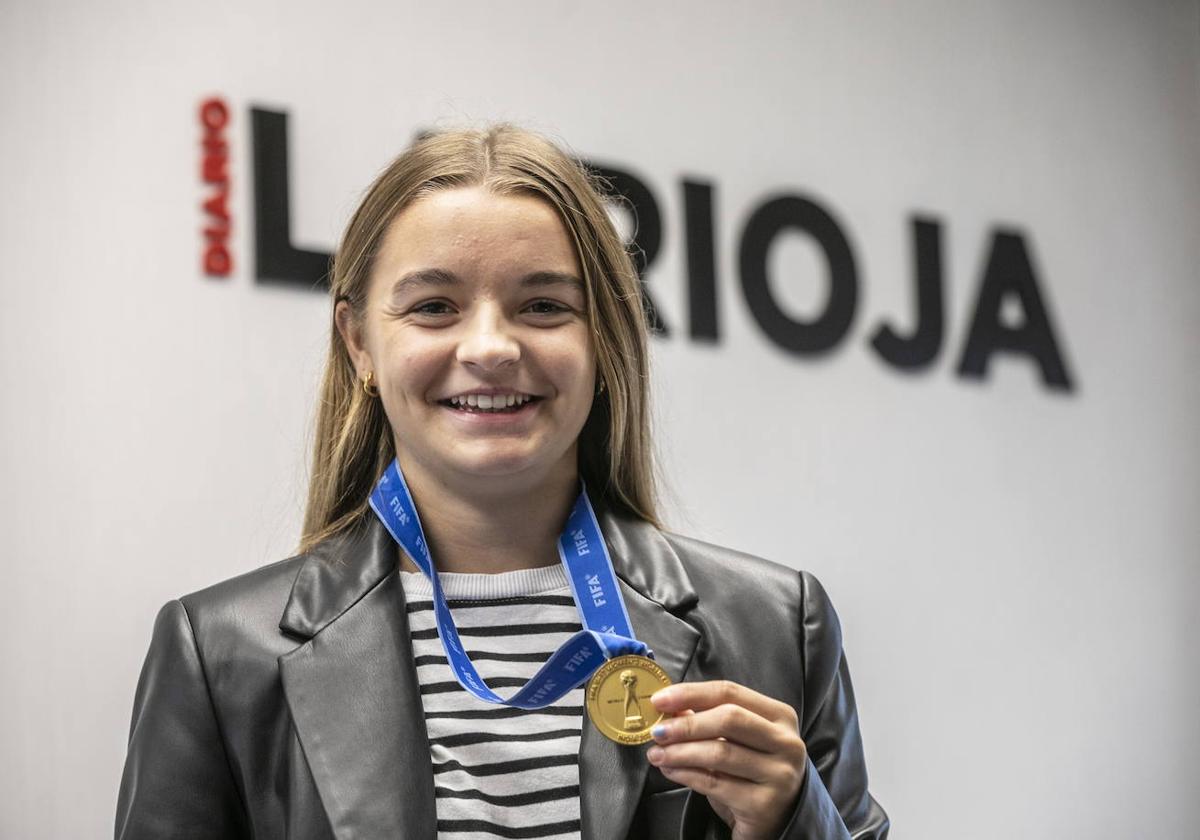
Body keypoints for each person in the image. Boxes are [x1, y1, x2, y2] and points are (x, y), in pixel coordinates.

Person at [115, 125, 889, 840]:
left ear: (605, 339)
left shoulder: (778, 626)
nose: (489, 346)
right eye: (434, 307)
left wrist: (795, 823)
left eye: (544, 305)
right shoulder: (221, 653)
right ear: (360, 344)